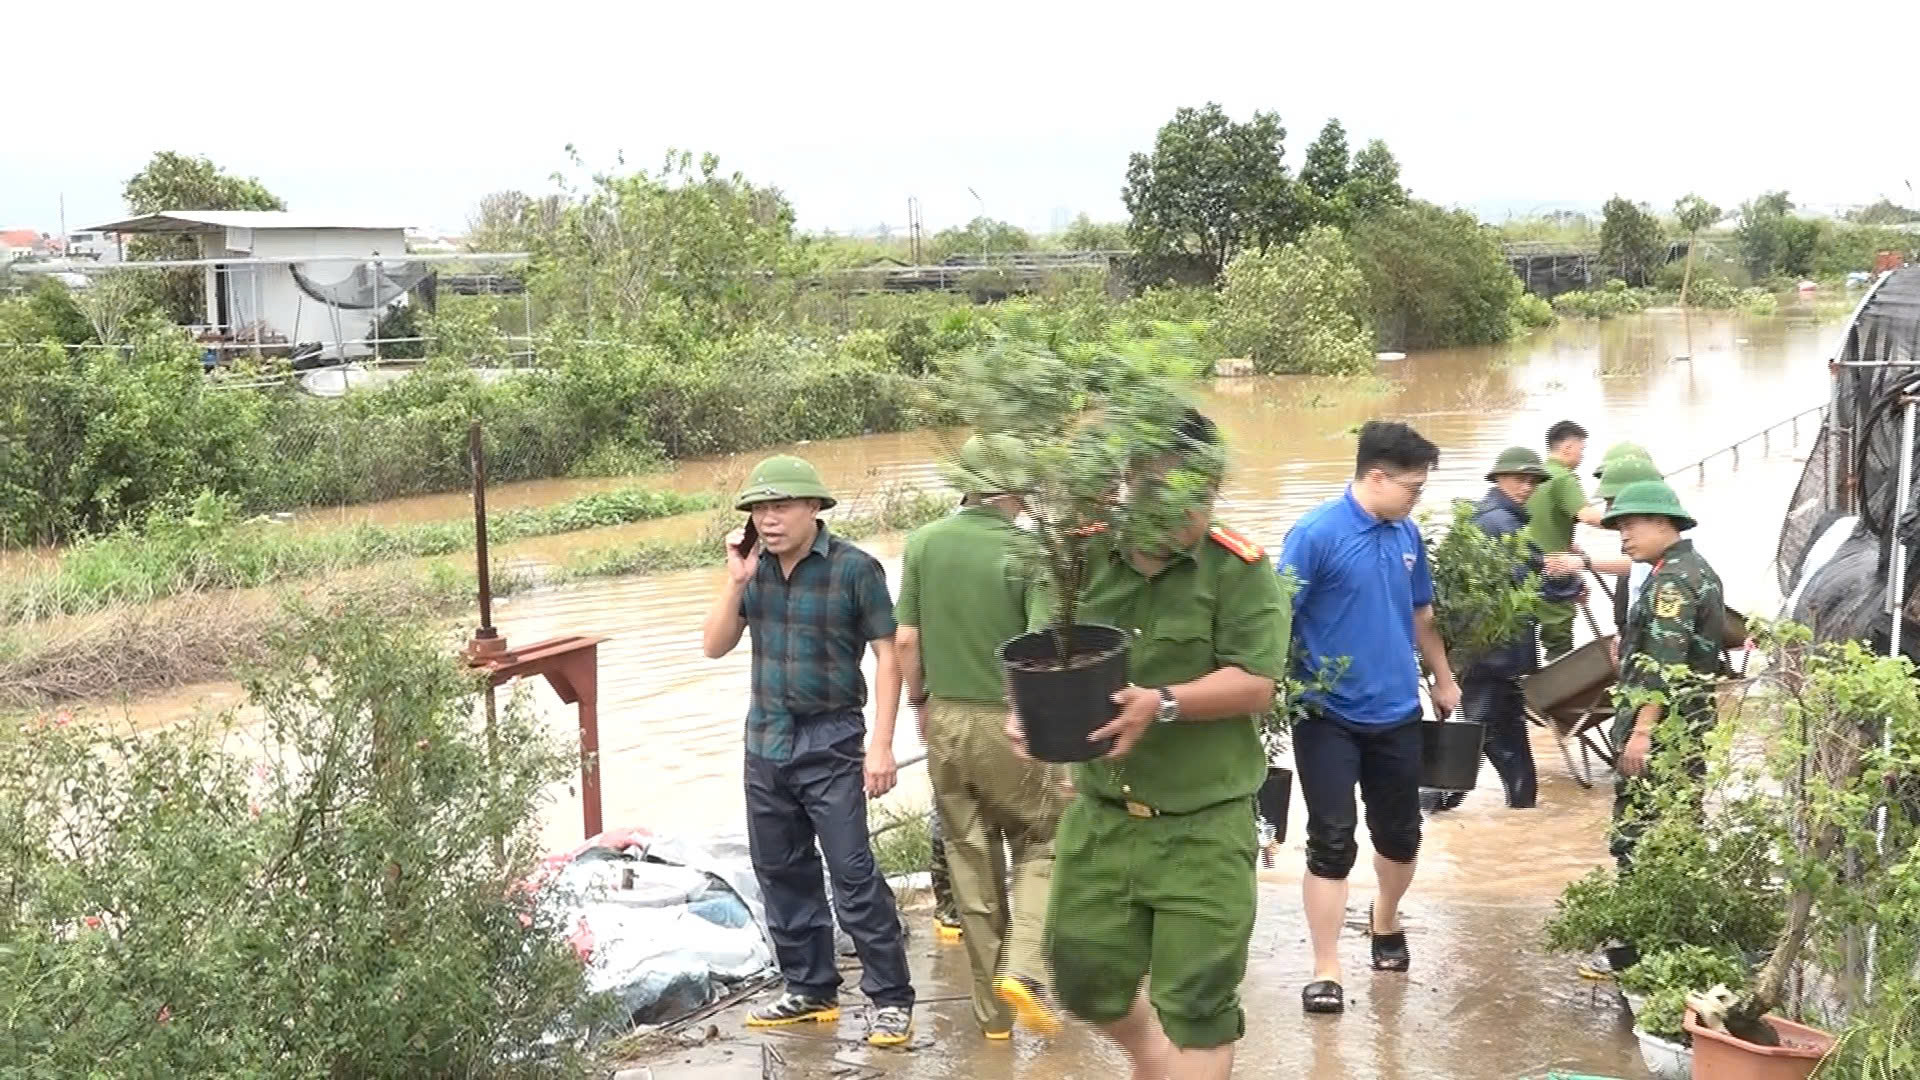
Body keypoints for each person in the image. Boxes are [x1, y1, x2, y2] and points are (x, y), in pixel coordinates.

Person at [1010, 409, 1284, 1080]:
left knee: (1198, 998)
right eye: (1164, 488)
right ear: (1129, 482)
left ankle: (1179, 1055)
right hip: (1102, 821)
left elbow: (1256, 683)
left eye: (1201, 492)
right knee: (1080, 974)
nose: (1186, 510)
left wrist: (1162, 702)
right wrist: (1026, 716)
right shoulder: (1081, 563)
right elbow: (1046, 654)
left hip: (1204, 825)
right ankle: (1152, 1056)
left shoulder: (1237, 570)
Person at [699, 454, 916, 1047]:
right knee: (779, 869)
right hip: (765, 738)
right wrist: (736, 581)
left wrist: (882, 746)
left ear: (814, 508)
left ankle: (891, 998)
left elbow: (888, 656)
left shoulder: (855, 570)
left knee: (851, 872)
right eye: (759, 510)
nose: (769, 520)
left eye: (781, 507)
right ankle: (810, 988)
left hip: (832, 738)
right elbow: (713, 646)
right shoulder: (753, 571)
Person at [1280, 420, 1460, 1016]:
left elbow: (1421, 612)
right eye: (1412, 486)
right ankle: (1326, 968)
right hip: (1325, 712)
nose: (1417, 498)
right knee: (1330, 839)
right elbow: (1275, 617)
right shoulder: (1315, 535)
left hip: (1395, 712)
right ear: (1375, 476)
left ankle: (1385, 918)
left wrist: (1443, 676)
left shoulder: (1406, 533)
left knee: (1400, 836)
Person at [897, 434, 1069, 1041]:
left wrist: (919, 702)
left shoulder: (923, 542)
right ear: (1017, 488)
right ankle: (1023, 968)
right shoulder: (1029, 552)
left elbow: (906, 643)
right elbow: (1040, 645)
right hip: (1010, 718)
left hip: (943, 719)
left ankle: (991, 1019)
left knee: (968, 861)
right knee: (1044, 842)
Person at [1603, 478, 1730, 866]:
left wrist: (1642, 732)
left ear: (1662, 523)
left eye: (1630, 526)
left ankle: (1637, 922)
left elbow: (1666, 666)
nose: (1623, 537)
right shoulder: (1693, 568)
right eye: (1619, 528)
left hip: (1662, 728)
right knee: (1679, 823)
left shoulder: (1672, 582)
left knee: (1636, 832)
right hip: (1687, 723)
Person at [1428, 446, 1552, 813]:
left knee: (1495, 737)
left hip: (1484, 655)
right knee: (1480, 736)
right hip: (1492, 656)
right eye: (1520, 478)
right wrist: (1567, 579)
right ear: (1498, 479)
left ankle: (1518, 816)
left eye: (1533, 481)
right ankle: (1428, 809)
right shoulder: (1500, 523)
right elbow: (1529, 576)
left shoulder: (1488, 519)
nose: (1527, 486)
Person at [1526, 420, 1606, 658]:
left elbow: (1541, 519)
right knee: (1558, 635)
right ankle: (1559, 684)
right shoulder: (1562, 478)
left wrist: (1568, 543)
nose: (1582, 455)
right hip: (1553, 565)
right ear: (1568, 447)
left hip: (1525, 564)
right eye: (1582, 449)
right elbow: (1588, 516)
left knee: (1526, 632)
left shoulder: (1534, 477)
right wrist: (1630, 521)